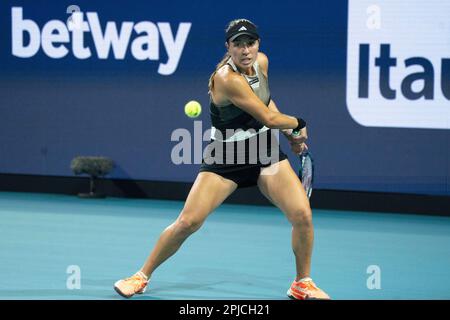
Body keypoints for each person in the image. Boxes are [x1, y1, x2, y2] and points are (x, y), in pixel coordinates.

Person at [114, 19, 330, 300]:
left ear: (258, 44)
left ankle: (302, 283)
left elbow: (266, 104)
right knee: (188, 222)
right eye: (238, 44)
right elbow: (267, 117)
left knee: (302, 215)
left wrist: (290, 134)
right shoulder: (226, 78)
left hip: (264, 150)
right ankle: (140, 276)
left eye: (250, 43)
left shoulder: (261, 63)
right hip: (226, 156)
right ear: (228, 47)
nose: (245, 50)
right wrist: (299, 123)